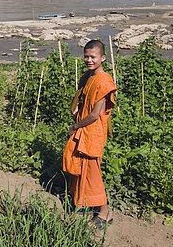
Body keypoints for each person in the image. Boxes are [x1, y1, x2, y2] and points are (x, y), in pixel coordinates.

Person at [62, 39, 117, 229]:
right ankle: (82, 202)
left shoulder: (103, 81)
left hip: (91, 131)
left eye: (93, 57)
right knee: (81, 168)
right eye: (86, 56)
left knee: (92, 174)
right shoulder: (89, 77)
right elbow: (84, 101)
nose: (89, 60)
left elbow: (94, 115)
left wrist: (76, 126)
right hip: (84, 127)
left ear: (102, 58)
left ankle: (105, 212)